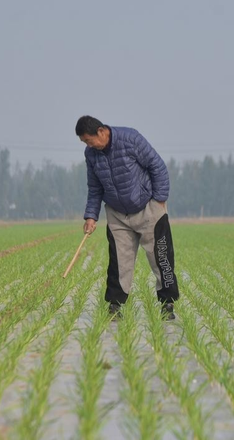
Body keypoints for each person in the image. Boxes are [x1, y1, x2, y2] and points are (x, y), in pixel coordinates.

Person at [76, 115, 179, 320]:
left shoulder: (130, 139)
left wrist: (159, 200)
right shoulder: (91, 154)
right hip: (117, 214)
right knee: (118, 263)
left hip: (148, 208)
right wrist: (91, 216)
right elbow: (95, 188)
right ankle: (115, 307)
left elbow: (157, 166)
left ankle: (167, 306)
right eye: (84, 142)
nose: (88, 145)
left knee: (161, 259)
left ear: (101, 132)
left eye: (88, 140)